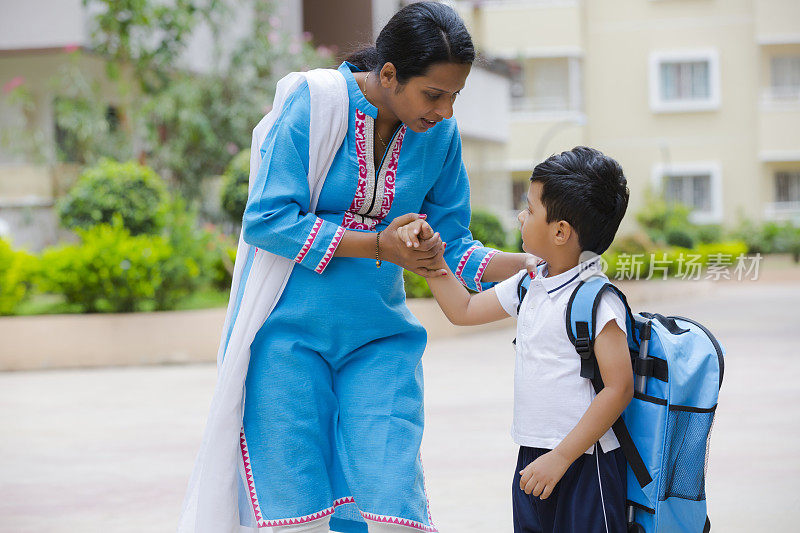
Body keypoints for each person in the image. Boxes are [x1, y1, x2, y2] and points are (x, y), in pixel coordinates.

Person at [181, 3, 531, 533]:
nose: (445, 111)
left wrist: (527, 265)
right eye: (433, 95)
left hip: (381, 340)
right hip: (288, 342)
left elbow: (452, 244)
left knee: (392, 495)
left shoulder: (438, 138)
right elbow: (267, 220)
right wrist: (377, 245)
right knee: (297, 506)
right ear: (388, 75)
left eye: (454, 96)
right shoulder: (316, 105)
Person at [410, 146, 633, 532]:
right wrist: (431, 260)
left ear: (560, 231)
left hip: (585, 459)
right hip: (533, 451)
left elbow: (618, 388)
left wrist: (561, 457)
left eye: (530, 209)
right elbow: (463, 311)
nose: (520, 216)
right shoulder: (532, 283)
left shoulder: (597, 300)